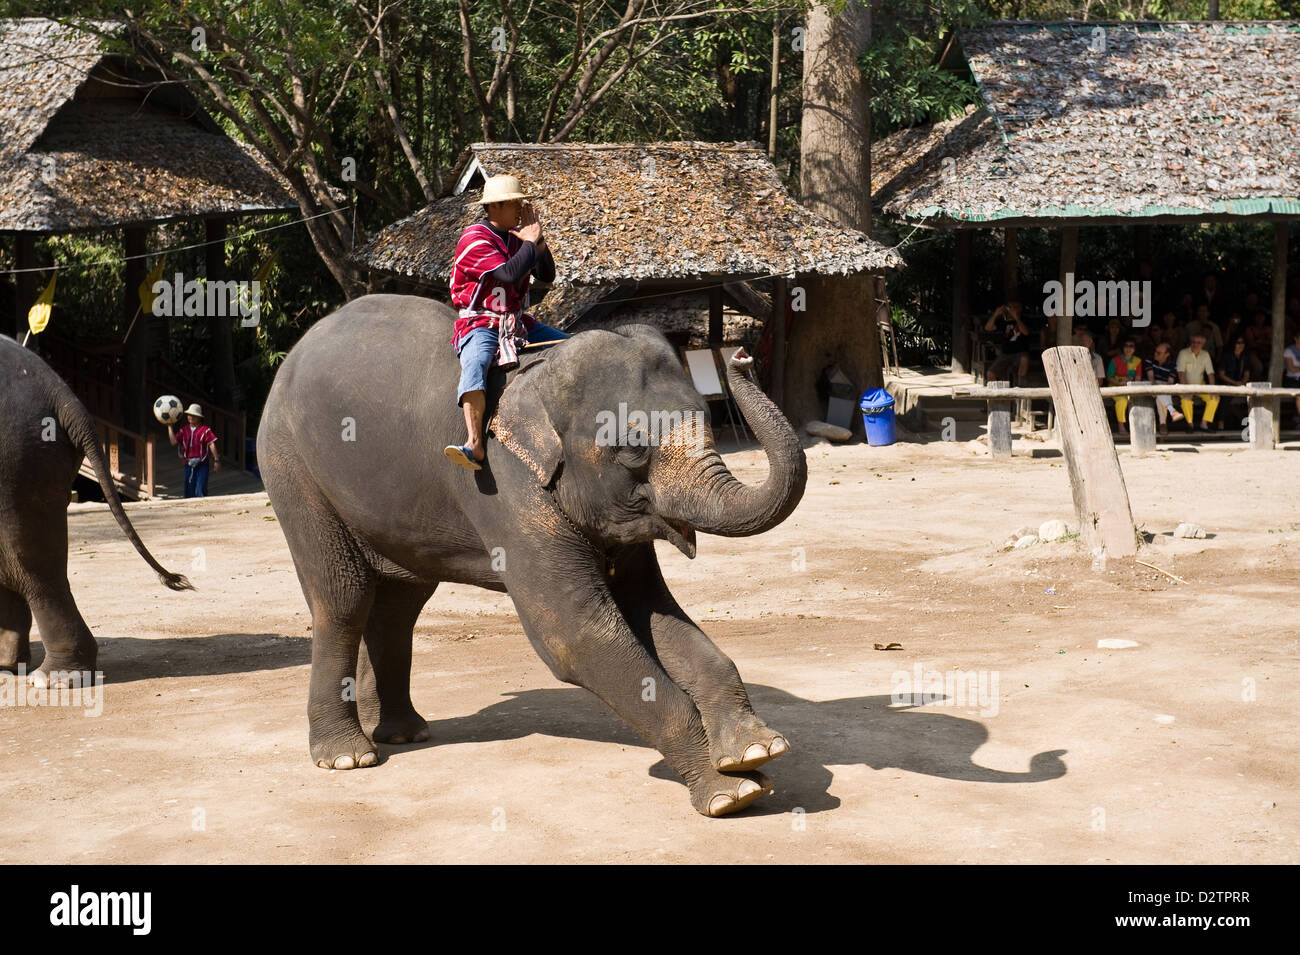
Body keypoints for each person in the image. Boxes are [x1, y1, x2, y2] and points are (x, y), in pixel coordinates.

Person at [445, 174, 567, 471]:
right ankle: (474, 443)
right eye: (514, 203)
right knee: (477, 360)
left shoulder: (517, 238)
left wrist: (537, 240)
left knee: (570, 345)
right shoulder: (474, 238)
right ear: (496, 206)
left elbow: (547, 274)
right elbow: (508, 274)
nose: (520, 208)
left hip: (517, 321)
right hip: (482, 323)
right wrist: (527, 241)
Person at [168, 403, 219, 498]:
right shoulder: (184, 430)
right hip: (188, 464)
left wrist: (216, 460)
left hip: (202, 464)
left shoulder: (205, 430)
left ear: (199, 417)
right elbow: (174, 442)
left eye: (194, 415)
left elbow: (211, 443)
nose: (191, 417)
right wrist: (169, 427)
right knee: (189, 489)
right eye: (189, 415)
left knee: (200, 488)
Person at [1176, 333, 1219, 431]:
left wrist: (1213, 390)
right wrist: (1186, 390)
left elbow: (1210, 374)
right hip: (1185, 385)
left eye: (1198, 343)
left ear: (1203, 344)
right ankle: (1190, 424)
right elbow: (1181, 374)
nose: (1195, 344)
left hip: (1200, 385)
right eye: (1193, 342)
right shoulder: (1183, 353)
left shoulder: (1205, 354)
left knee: (1215, 398)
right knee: (1185, 399)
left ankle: (1204, 424)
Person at [985, 300, 1031, 383]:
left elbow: (1026, 332)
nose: (1013, 309)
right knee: (990, 373)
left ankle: (1021, 388)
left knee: (1024, 359)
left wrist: (1016, 318)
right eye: (1011, 307)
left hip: (1020, 353)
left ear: (1020, 308)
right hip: (1005, 354)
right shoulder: (1003, 321)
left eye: (1016, 307)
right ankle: (996, 394)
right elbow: (988, 328)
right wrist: (996, 314)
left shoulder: (1025, 319)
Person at [1146, 341, 1185, 435]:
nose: (1155, 354)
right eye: (1155, 351)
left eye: (1159, 353)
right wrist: (1157, 388)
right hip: (1148, 388)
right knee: (1160, 388)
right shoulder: (1149, 360)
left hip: (1162, 391)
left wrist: (1160, 388)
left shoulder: (1173, 366)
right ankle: (1171, 411)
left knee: (1161, 394)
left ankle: (1163, 423)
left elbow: (1170, 383)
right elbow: (1151, 378)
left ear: (1167, 354)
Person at [1107, 339, 1143, 435]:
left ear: (1134, 349)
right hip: (1115, 386)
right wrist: (1119, 384)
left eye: (1131, 346)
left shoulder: (1138, 361)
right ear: (1122, 348)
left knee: (1140, 400)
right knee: (1122, 401)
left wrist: (1132, 387)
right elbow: (1109, 377)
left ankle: (1139, 428)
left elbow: (1138, 378)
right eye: (1126, 345)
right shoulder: (1115, 360)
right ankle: (1121, 426)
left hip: (1131, 387)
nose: (1128, 348)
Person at [1285, 329, 1300, 423]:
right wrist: (1296, 368)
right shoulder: (1288, 351)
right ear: (1295, 338)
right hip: (1292, 380)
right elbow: (1291, 369)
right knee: (1299, 396)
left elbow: (1295, 367)